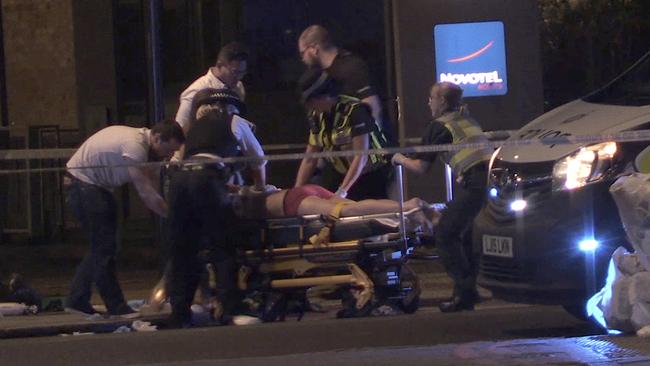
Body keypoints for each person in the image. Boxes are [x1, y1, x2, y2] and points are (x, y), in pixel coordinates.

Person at [167, 88, 267, 328]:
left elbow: (179, 161)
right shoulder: (235, 121)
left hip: (180, 182)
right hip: (207, 178)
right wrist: (260, 189)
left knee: (183, 250)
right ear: (230, 107)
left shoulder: (191, 129)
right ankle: (229, 310)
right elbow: (259, 158)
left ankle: (179, 314)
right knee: (222, 246)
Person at [65, 119, 184, 316]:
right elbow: (145, 192)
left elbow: (154, 187)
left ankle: (78, 299)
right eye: (167, 150)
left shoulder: (150, 150)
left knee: (104, 247)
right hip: (84, 185)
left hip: (93, 187)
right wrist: (174, 218)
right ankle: (114, 306)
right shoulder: (135, 146)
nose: (168, 156)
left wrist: (166, 211)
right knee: (104, 247)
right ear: (156, 138)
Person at [392, 81, 492, 313]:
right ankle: (465, 294)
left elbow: (421, 168)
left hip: (476, 184)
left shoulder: (438, 126)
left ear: (442, 102)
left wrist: (399, 159)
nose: (429, 102)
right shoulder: (467, 120)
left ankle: (466, 292)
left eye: (431, 98)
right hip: (490, 180)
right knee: (465, 237)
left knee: (446, 233)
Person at [294, 69, 391, 201]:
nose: (309, 106)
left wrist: (342, 191)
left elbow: (361, 156)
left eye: (311, 101)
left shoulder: (354, 111)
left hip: (369, 174)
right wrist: (296, 191)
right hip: (340, 172)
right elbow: (310, 158)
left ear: (324, 96)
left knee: (368, 214)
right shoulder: (316, 116)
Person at [298, 24, 395, 143]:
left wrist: (370, 143)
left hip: (367, 148)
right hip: (343, 147)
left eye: (303, 53)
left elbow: (373, 106)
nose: (302, 59)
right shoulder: (318, 77)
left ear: (314, 49)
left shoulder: (352, 67)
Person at [235, 183, 439, 233]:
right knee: (355, 207)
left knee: (346, 212)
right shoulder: (238, 189)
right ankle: (407, 207)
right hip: (298, 192)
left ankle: (407, 207)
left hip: (291, 202)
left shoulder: (231, 203)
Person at [175, 42, 249, 133]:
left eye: (242, 73)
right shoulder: (197, 90)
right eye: (235, 72)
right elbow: (179, 128)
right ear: (219, 65)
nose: (239, 78)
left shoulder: (238, 87)